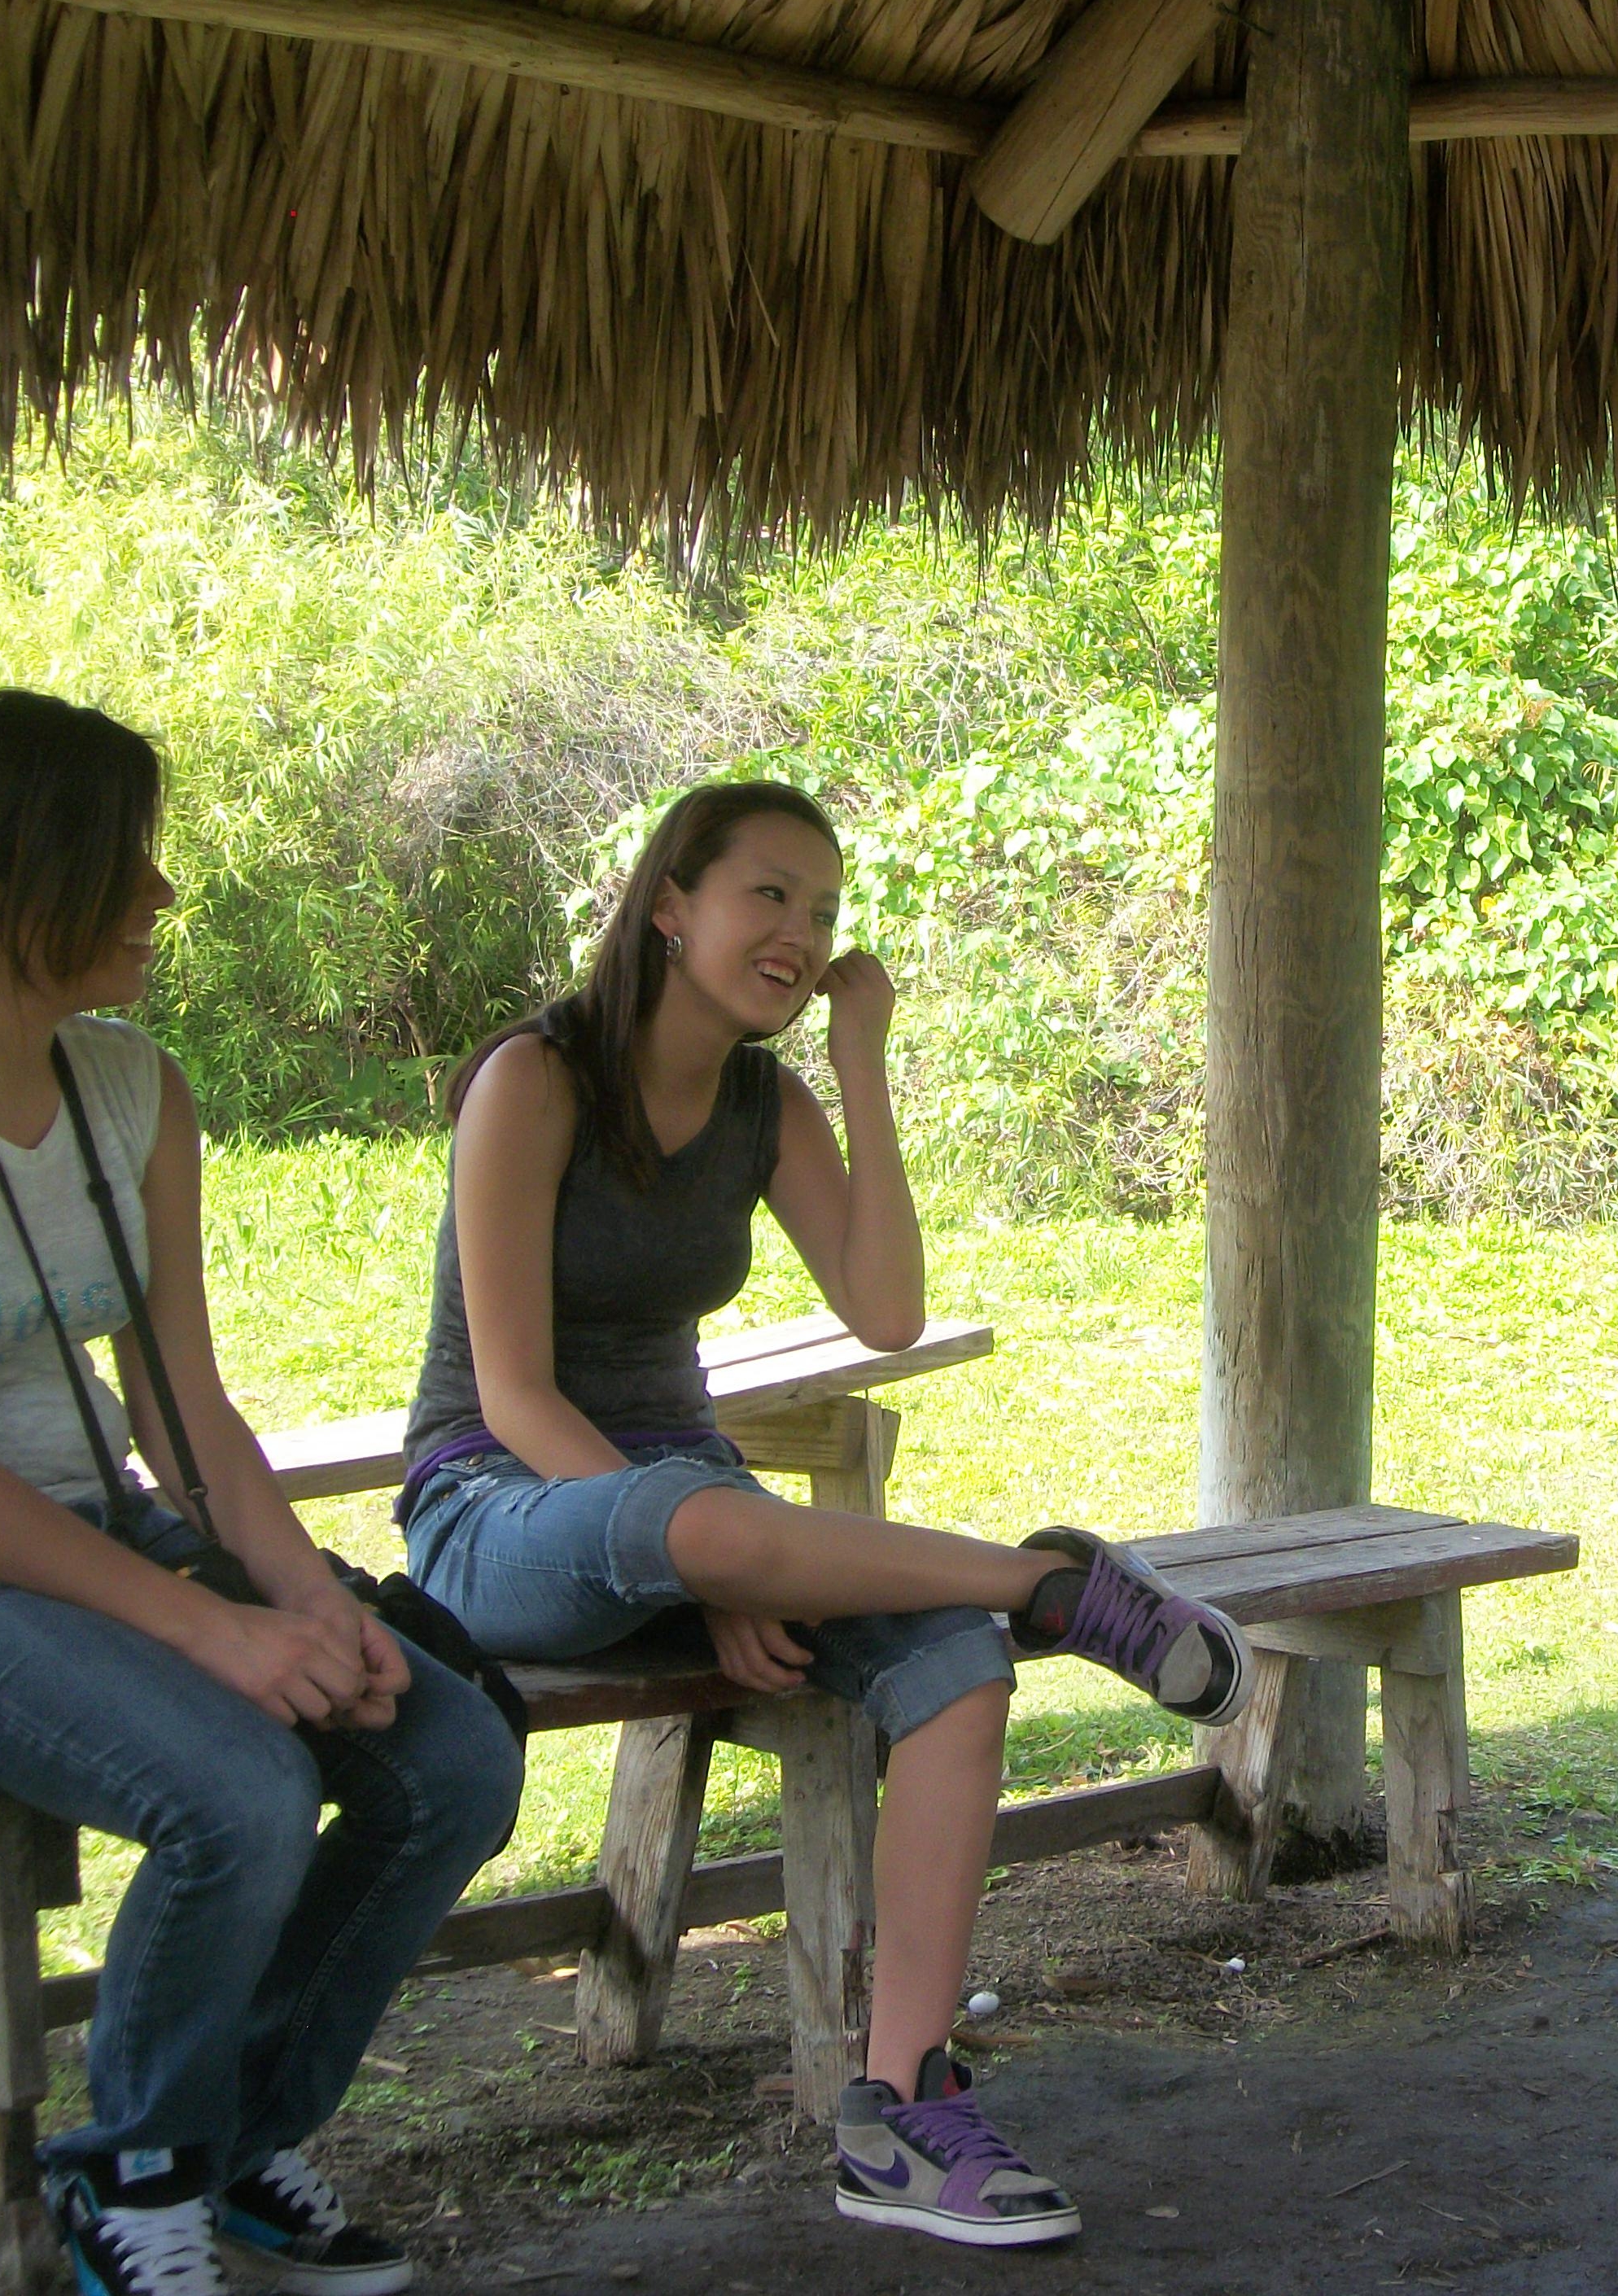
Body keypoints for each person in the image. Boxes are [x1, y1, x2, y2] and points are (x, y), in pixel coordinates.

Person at [0, 689, 526, 2296]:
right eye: (127, 863)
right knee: (233, 1790)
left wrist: (300, 1595)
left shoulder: (132, 1085)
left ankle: (226, 2147)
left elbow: (181, 1406)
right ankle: (125, 2176)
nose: (161, 896)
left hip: (83, 1525)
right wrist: (211, 1641)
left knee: (445, 1753)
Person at [400, 778, 1254, 2251]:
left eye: (824, 911)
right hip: (499, 1503)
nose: (799, 933)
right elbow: (519, 1397)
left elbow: (887, 1306)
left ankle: (902, 2112)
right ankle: (1047, 1585)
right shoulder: (532, 1082)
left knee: (950, 1670)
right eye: (768, 895)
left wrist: (860, 1060)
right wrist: (695, 1553)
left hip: (693, 1518)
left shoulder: (761, 1101)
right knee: (727, 1519)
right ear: (672, 902)